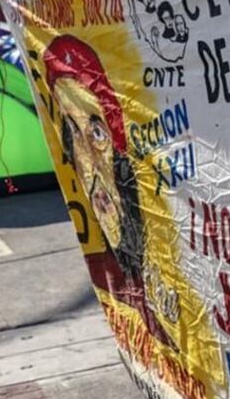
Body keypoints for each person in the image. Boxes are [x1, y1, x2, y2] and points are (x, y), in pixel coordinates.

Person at [43, 35, 175, 348]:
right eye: (73, 132)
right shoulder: (111, 274)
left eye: (97, 132)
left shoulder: (164, 256)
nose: (88, 157)